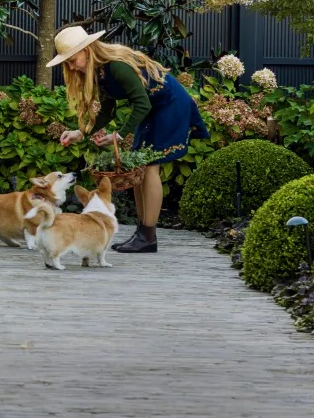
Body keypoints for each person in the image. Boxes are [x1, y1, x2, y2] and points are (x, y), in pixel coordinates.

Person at [48, 24, 208, 254]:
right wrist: (80, 132)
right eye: (68, 63)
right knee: (139, 169)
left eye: (73, 59)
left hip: (170, 105)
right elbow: (107, 112)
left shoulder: (117, 67)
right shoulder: (99, 73)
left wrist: (120, 134)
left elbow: (141, 103)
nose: (72, 67)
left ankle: (148, 235)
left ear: (88, 50)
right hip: (152, 109)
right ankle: (142, 232)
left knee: (150, 167)